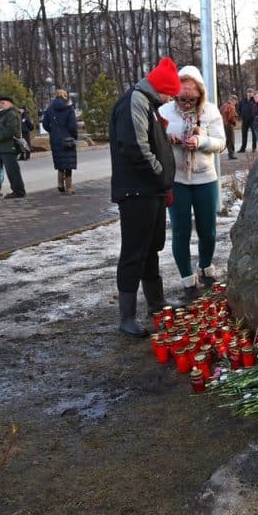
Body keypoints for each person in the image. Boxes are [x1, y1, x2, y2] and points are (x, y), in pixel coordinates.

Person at [109, 57, 179, 337]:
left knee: (151, 248)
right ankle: (127, 317)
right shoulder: (134, 103)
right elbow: (136, 148)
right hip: (138, 191)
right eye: (169, 94)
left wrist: (163, 185)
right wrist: (161, 175)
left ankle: (156, 302)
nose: (169, 99)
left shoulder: (149, 104)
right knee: (134, 252)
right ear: (159, 88)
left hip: (153, 191)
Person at [160, 66, 226, 298]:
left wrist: (201, 140)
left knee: (208, 229)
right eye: (182, 96)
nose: (186, 101)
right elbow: (154, 139)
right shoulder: (165, 111)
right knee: (181, 230)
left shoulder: (209, 111)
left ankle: (206, 267)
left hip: (205, 177)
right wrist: (167, 139)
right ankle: (188, 280)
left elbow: (220, 143)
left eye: (191, 96)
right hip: (177, 178)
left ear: (199, 93)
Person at [42, 89, 79, 194]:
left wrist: (52, 131)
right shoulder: (69, 108)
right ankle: (69, 187)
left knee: (60, 161)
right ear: (64, 96)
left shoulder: (49, 109)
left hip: (55, 139)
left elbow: (45, 124)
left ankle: (60, 184)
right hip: (68, 139)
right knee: (68, 163)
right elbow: (72, 126)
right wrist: (74, 135)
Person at [0, 96, 26, 198]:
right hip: (5, 147)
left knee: (13, 170)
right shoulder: (5, 114)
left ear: (10, 104)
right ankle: (17, 190)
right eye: (0, 103)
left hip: (9, 146)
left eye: (3, 103)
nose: (1, 105)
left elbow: (12, 130)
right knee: (11, 170)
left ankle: (18, 191)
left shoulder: (11, 114)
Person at [219, 95, 238, 159]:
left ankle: (219, 151)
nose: (236, 103)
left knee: (226, 140)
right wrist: (234, 123)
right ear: (233, 100)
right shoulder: (231, 107)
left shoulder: (223, 106)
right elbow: (231, 117)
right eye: (236, 101)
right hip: (229, 125)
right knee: (231, 140)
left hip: (222, 124)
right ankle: (231, 154)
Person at [237, 86, 256, 152]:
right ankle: (243, 148)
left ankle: (254, 148)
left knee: (254, 134)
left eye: (251, 92)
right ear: (246, 93)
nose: (250, 93)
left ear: (253, 93)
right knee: (244, 134)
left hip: (253, 120)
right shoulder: (243, 100)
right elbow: (238, 108)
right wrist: (240, 115)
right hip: (245, 120)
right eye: (248, 92)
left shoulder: (254, 100)